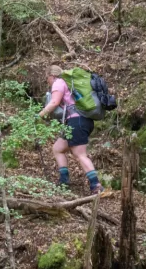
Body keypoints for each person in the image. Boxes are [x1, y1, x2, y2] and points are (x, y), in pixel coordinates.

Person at [38, 65, 102, 193]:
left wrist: (39, 115)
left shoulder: (58, 83)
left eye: (47, 79)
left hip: (76, 121)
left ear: (52, 76)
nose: (48, 82)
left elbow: (54, 102)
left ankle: (96, 185)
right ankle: (64, 181)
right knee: (58, 148)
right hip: (83, 121)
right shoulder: (67, 84)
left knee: (80, 154)